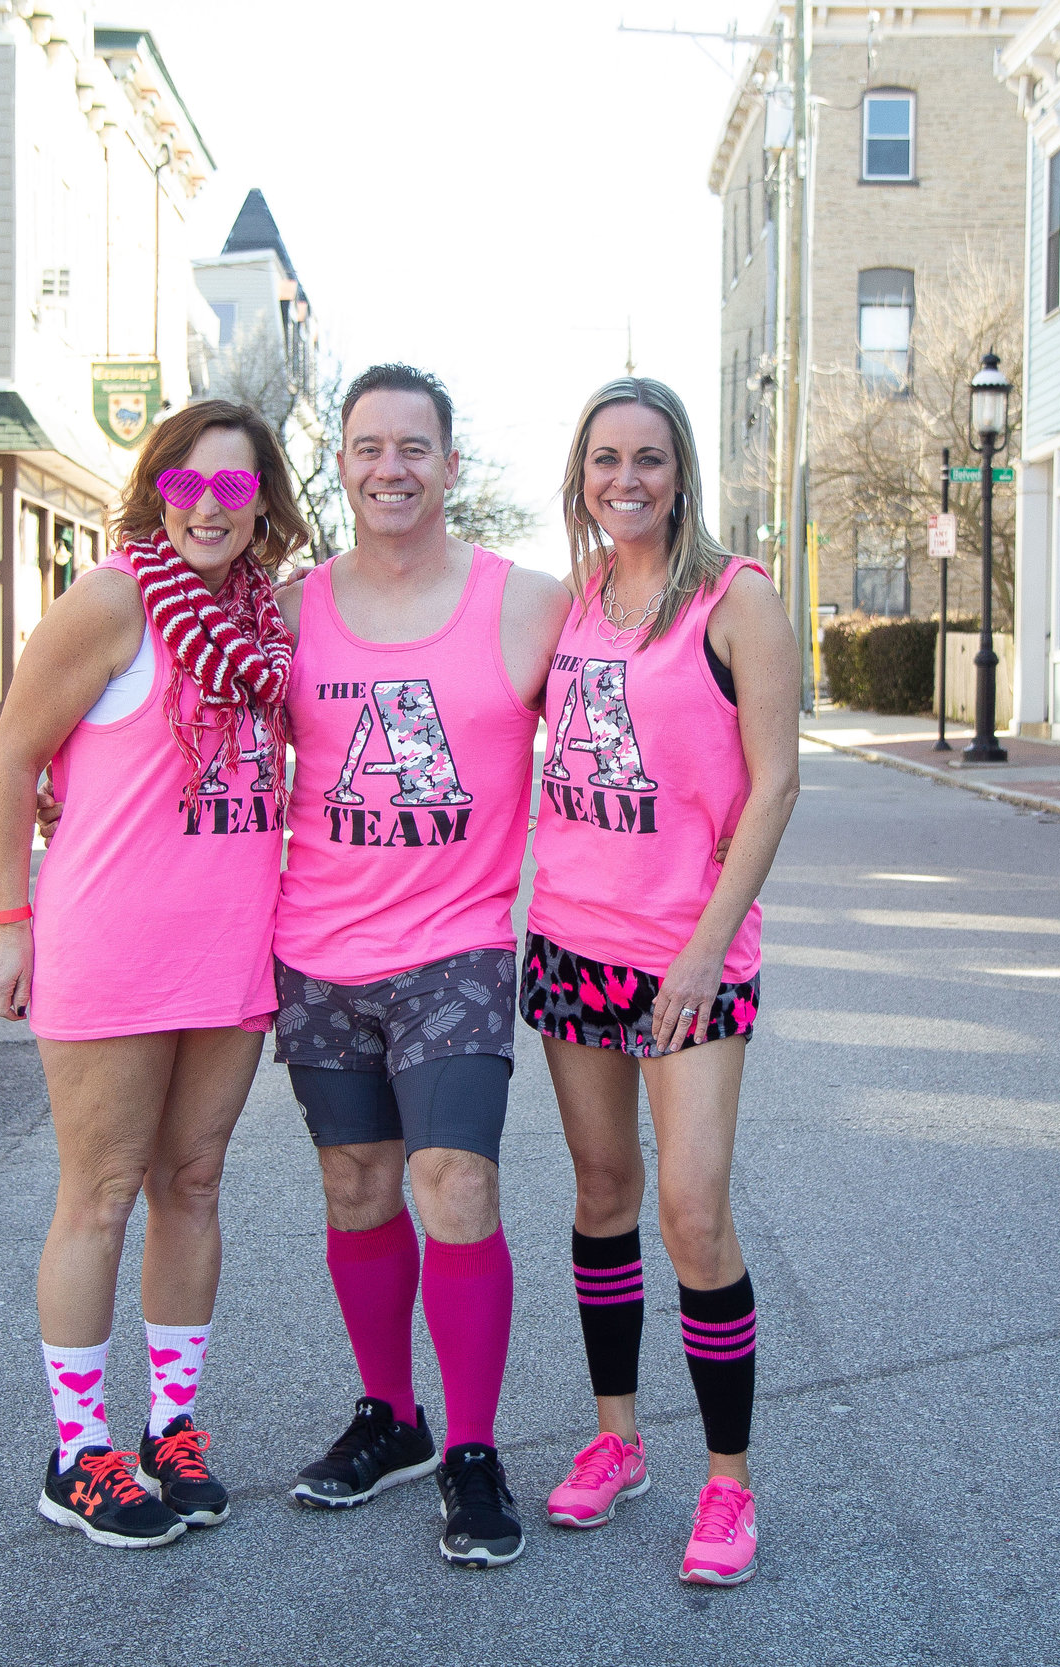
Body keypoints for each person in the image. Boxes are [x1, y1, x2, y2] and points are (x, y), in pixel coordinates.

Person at [0, 398, 308, 1551]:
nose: (212, 507)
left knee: (197, 1182)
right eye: (189, 484)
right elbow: (14, 758)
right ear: (157, 490)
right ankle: (77, 1450)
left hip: (228, 948)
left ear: (263, 497)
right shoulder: (114, 598)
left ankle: (173, 1426)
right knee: (102, 1192)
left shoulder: (266, 621)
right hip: (110, 945)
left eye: (236, 486)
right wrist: (12, 918)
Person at [267, 365, 568, 1569]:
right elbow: (194, 737)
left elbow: (639, 688)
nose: (389, 466)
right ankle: (390, 1415)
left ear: (451, 465)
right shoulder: (287, 613)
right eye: (366, 445)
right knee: (357, 1188)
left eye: (414, 446)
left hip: (456, 946)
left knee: (454, 1182)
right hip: (317, 951)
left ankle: (474, 1449)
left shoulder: (526, 604)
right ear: (340, 463)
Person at [522, 378, 798, 1587]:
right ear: (578, 477)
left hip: (690, 961)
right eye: (602, 460)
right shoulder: (575, 603)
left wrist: (702, 945)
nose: (622, 478)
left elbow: (776, 784)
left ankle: (728, 1482)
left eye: (645, 457)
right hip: (572, 941)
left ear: (680, 470)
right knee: (601, 1194)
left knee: (693, 1212)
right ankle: (616, 1439)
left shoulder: (739, 603)